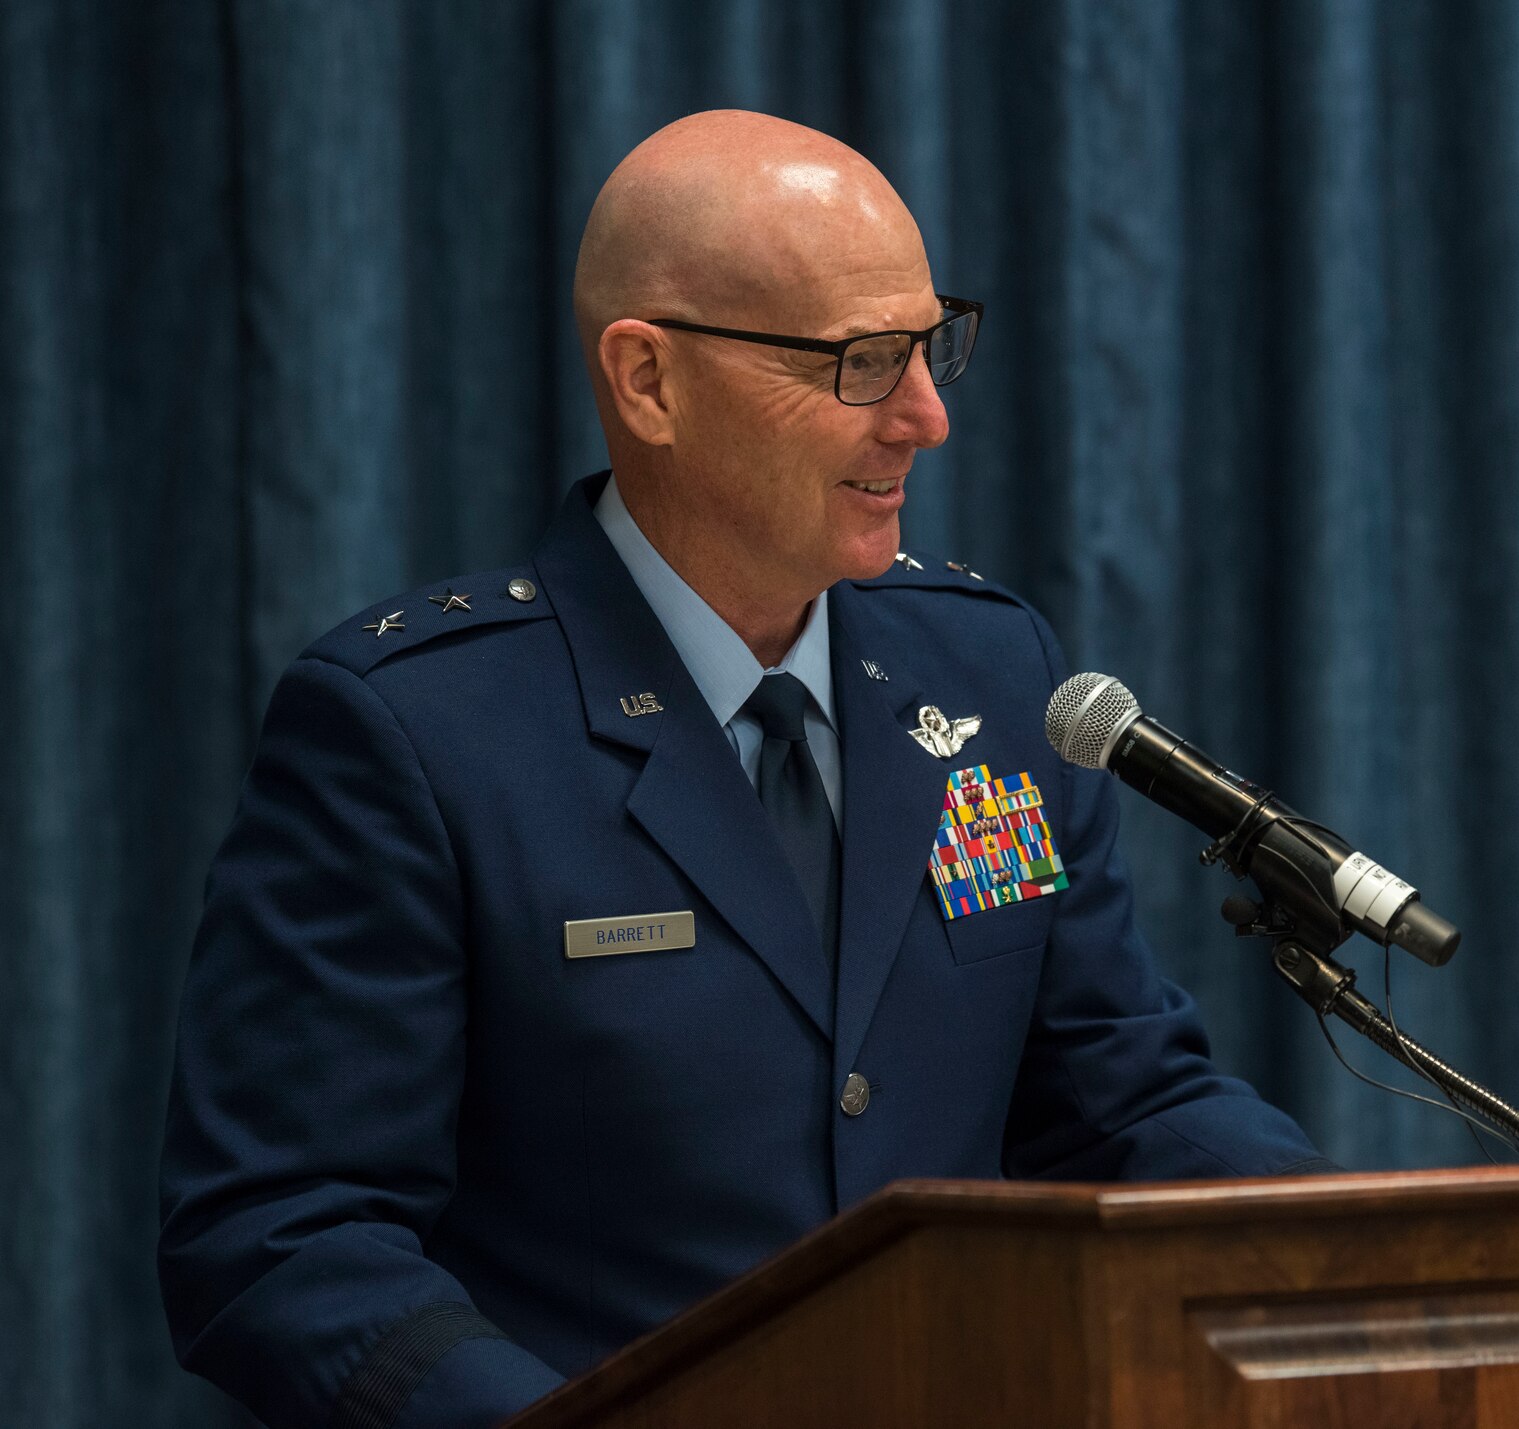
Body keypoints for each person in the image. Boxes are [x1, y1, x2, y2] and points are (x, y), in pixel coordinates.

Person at [158, 110, 1331, 1429]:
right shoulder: (416, 731)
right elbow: (282, 1234)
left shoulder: (991, 678)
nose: (928, 418)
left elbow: (1119, 1096)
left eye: (933, 345)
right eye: (862, 362)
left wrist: (1350, 1276)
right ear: (649, 380)